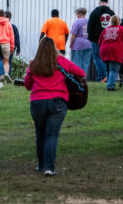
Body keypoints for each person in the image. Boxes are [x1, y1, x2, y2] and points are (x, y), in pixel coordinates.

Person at [24, 37, 85, 176]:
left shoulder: (34, 64)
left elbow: (27, 85)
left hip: (37, 102)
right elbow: (81, 73)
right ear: (55, 48)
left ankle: (40, 165)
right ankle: (49, 168)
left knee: (40, 134)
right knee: (52, 135)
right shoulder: (62, 62)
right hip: (58, 101)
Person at [98, 15, 123, 91]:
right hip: (115, 51)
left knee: (108, 69)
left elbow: (99, 42)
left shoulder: (106, 29)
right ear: (119, 21)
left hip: (104, 50)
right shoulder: (121, 29)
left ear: (110, 21)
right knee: (114, 69)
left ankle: (108, 84)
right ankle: (110, 86)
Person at [87, 0, 115, 82]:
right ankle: (107, 76)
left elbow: (90, 26)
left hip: (96, 39)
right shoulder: (111, 13)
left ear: (100, 2)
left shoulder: (95, 12)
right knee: (107, 58)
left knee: (97, 57)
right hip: (109, 38)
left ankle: (102, 76)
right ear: (107, 2)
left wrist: (90, 37)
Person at [0, 11, 20, 76]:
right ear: (10, 17)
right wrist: (17, 49)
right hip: (9, 46)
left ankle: (2, 75)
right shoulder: (13, 26)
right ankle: (8, 75)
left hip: (0, 44)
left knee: (1, 60)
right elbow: (16, 38)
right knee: (8, 61)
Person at [0, 10, 14, 81]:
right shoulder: (8, 23)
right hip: (6, 44)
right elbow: (12, 36)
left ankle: (0, 76)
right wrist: (12, 47)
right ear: (4, 15)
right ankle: (6, 74)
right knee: (6, 61)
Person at [69, 8, 92, 75]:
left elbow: (73, 35)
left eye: (77, 14)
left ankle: (78, 76)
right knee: (86, 62)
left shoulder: (77, 22)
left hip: (78, 44)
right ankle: (84, 77)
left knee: (77, 62)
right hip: (88, 43)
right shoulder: (89, 21)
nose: (77, 15)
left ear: (79, 14)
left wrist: (71, 44)